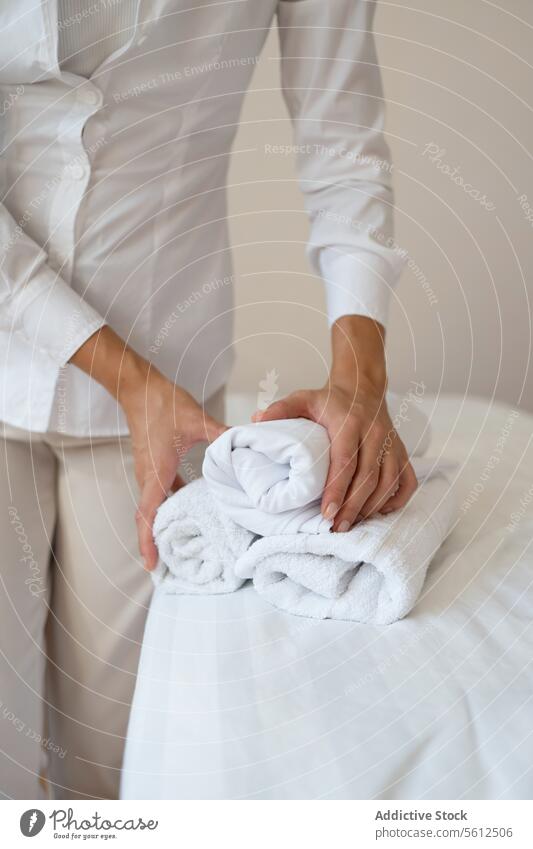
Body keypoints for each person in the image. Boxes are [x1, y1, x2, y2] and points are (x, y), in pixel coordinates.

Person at [0, 0, 417, 799]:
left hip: (169, 369)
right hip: (92, 368)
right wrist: (127, 379)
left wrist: (359, 382)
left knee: (123, 751)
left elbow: (341, 143)